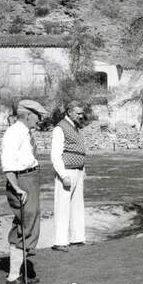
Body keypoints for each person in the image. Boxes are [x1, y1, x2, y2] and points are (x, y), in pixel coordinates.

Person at [0, 99, 47, 284]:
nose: (40, 120)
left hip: (30, 178)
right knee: (28, 226)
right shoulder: (14, 134)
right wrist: (18, 189)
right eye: (38, 116)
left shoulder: (26, 133)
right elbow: (8, 164)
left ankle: (17, 273)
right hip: (21, 181)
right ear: (28, 115)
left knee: (23, 225)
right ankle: (13, 277)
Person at [50, 100, 88, 252]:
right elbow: (55, 155)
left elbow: (79, 150)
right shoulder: (60, 128)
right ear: (70, 112)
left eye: (81, 113)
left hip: (77, 170)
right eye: (78, 113)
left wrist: (83, 168)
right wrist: (63, 174)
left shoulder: (75, 127)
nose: (81, 116)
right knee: (62, 206)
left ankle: (77, 238)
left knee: (77, 206)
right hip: (66, 171)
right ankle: (60, 241)